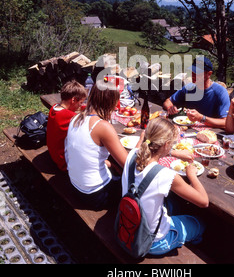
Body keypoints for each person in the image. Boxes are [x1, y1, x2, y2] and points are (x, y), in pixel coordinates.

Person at [121, 117, 209, 256]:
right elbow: (204, 202)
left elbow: (144, 147)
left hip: (127, 228)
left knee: (173, 203)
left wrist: (172, 152)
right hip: (153, 242)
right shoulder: (166, 175)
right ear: (166, 144)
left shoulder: (131, 154)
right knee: (200, 223)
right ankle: (193, 249)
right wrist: (191, 175)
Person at [64, 78, 128, 209]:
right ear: (111, 102)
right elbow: (128, 164)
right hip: (95, 195)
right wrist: (140, 141)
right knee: (135, 185)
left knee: (114, 166)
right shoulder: (102, 127)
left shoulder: (76, 117)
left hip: (75, 185)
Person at [163, 56, 230, 128]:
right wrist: (170, 107)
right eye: (193, 71)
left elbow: (226, 122)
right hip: (187, 130)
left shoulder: (220, 92)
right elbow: (167, 101)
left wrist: (202, 118)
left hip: (210, 134)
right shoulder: (189, 88)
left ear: (209, 74)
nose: (193, 75)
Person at [46, 80, 87, 171]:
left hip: (54, 153)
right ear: (73, 100)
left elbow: (69, 113)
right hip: (64, 162)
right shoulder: (70, 117)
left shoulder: (54, 107)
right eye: (80, 103)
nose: (80, 106)